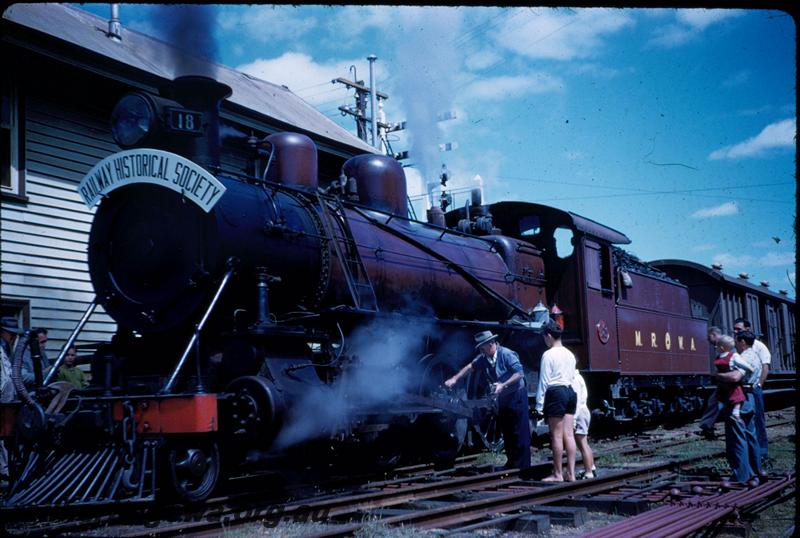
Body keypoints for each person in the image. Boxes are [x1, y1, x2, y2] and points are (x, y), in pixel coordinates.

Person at [445, 330, 531, 470]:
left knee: (519, 431)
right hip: (502, 397)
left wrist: (503, 385)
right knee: (507, 430)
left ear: (491, 344)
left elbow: (519, 373)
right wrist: (455, 378)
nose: (480, 350)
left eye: (482, 347)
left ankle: (524, 466)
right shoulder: (483, 358)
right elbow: (470, 367)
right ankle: (512, 463)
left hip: (516, 395)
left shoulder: (507, 354)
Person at [535, 320, 577, 482]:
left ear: (549, 336)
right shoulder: (570, 354)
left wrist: (539, 405)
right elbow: (573, 378)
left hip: (556, 392)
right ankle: (571, 474)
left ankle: (558, 474)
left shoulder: (548, 354)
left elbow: (543, 381)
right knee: (569, 435)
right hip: (570, 392)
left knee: (557, 436)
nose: (544, 341)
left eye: (545, 337)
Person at [717, 331, 762, 482]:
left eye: (737, 341)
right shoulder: (755, 355)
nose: (735, 344)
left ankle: (741, 476)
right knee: (750, 436)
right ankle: (756, 472)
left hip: (740, 397)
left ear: (742, 342)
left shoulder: (744, 357)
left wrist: (718, 376)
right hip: (750, 397)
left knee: (737, 438)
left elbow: (736, 376)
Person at [733, 318, 770, 465]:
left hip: (754, 387)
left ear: (747, 328)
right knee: (746, 422)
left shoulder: (759, 346)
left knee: (758, 420)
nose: (736, 331)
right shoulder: (738, 345)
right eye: (735, 329)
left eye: (738, 329)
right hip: (742, 387)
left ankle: (762, 452)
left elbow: (765, 366)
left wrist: (760, 384)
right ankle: (749, 453)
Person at [0, 317, 19, 481]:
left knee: (7, 436)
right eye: (10, 334)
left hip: (7, 401)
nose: (12, 337)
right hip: (2, 400)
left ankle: (6, 470)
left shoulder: (6, 348)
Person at [697, 326, 724, 439]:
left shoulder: (724, 344)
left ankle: (707, 426)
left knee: (715, 402)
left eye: (709, 338)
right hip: (725, 381)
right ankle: (707, 426)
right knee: (714, 402)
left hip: (727, 382)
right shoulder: (720, 344)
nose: (708, 341)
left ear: (713, 335)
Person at [714, 335, 746, 421]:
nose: (715, 347)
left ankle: (731, 412)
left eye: (717, 345)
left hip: (723, 384)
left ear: (721, 347)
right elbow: (741, 366)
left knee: (728, 400)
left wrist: (719, 374)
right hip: (732, 384)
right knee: (737, 398)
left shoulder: (719, 357)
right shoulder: (734, 356)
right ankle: (735, 413)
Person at [571, 370, 596, 479]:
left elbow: (576, 401)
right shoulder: (578, 377)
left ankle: (588, 472)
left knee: (582, 443)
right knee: (584, 443)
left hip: (579, 412)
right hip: (582, 411)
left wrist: (574, 419)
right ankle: (592, 467)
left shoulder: (575, 379)